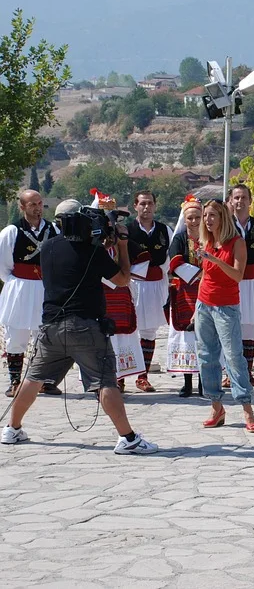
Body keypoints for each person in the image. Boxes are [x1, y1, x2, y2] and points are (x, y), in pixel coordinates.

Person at [1, 199, 158, 454]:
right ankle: (128, 439)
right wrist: (121, 246)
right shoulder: (92, 251)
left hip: (51, 326)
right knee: (106, 381)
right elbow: (122, 280)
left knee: (32, 378)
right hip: (85, 326)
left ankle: (12, 428)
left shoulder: (49, 247)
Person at [195, 199, 254, 433]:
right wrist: (197, 307)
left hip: (226, 307)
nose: (207, 220)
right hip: (204, 304)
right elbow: (204, 275)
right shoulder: (208, 241)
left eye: (212, 215)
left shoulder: (236, 243)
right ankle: (216, 406)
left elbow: (237, 275)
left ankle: (247, 409)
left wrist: (214, 259)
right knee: (206, 356)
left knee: (233, 357)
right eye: (205, 216)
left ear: (223, 217)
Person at [0, 189, 59, 397]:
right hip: (20, 288)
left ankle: (43, 380)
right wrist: (20, 283)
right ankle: (15, 381)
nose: (37, 208)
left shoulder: (54, 230)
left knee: (46, 336)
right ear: (22, 207)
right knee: (16, 335)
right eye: (32, 204)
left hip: (46, 288)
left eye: (40, 203)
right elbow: (3, 266)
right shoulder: (11, 232)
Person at [91, 189, 151, 387]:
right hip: (97, 293)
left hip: (119, 294)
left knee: (122, 336)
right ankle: (102, 378)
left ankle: (121, 378)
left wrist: (124, 276)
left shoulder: (122, 238)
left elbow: (143, 258)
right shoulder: (91, 241)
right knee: (99, 335)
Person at [125, 190, 172, 393]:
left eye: (150, 203)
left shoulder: (164, 230)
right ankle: (121, 376)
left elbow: (171, 256)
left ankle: (142, 376)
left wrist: (161, 274)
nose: (146, 207)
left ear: (155, 205)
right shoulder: (127, 230)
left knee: (149, 331)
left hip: (155, 284)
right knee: (127, 330)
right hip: (133, 284)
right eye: (142, 203)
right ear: (135, 205)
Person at [228, 184, 254, 388]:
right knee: (230, 329)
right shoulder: (225, 226)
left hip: (252, 284)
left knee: (250, 329)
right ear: (230, 201)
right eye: (236, 197)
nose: (240, 201)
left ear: (250, 200)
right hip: (230, 284)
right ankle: (230, 374)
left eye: (244, 197)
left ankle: (247, 372)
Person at [167, 195, 204, 397]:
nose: (194, 222)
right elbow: (175, 263)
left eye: (197, 217)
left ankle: (203, 382)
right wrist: (199, 273)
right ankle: (187, 382)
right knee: (185, 337)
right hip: (184, 291)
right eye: (190, 218)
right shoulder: (179, 239)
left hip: (206, 291)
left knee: (205, 336)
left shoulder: (210, 238)